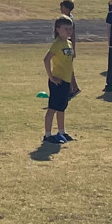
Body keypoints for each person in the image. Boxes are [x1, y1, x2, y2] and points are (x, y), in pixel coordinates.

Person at [43, 15, 79, 144]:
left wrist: (72, 82)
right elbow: (46, 59)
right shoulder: (57, 44)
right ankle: (47, 135)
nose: (69, 31)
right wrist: (51, 77)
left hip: (66, 81)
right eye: (66, 29)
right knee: (52, 107)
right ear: (58, 29)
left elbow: (69, 64)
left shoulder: (68, 43)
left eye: (71, 29)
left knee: (62, 108)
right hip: (57, 81)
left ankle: (61, 132)